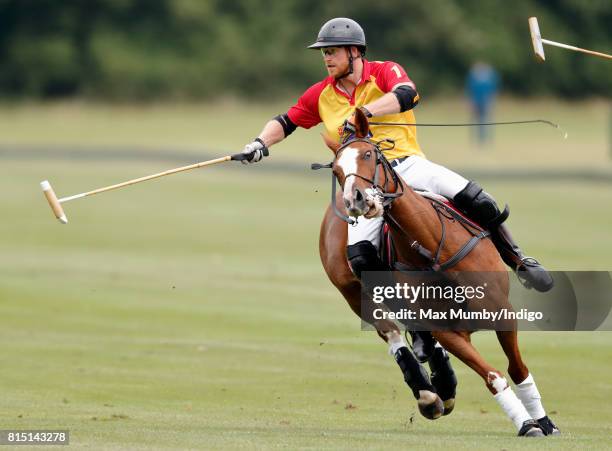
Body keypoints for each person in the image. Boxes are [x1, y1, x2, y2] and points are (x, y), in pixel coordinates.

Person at [241, 17, 553, 296]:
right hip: (365, 183)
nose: (326, 58)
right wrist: (259, 143)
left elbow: (407, 94)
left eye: (332, 51)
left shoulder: (384, 71)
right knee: (360, 256)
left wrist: (364, 111)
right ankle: (412, 321)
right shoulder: (321, 93)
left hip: (407, 166)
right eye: (324, 52)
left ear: (354, 52)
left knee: (480, 200)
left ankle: (518, 260)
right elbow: (286, 121)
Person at [466, 61, 499, 145]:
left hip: (487, 101)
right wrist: (471, 102)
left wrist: (491, 100)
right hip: (476, 101)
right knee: (475, 121)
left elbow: (494, 89)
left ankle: (488, 140)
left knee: (487, 121)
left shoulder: (490, 75)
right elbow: (469, 89)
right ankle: (477, 140)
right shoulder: (473, 76)